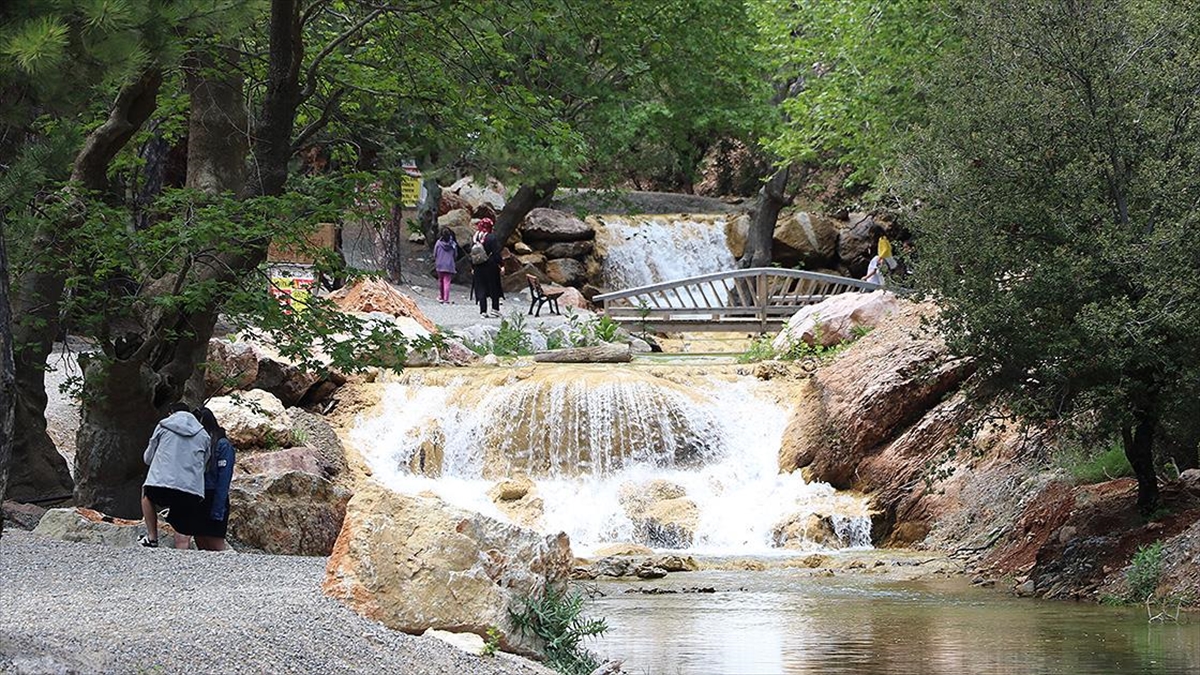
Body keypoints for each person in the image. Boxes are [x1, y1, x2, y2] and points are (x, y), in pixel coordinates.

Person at [140, 402, 211, 548]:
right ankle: (182, 553)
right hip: (190, 488)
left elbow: (148, 458)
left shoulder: (163, 426)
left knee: (147, 496)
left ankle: (152, 538)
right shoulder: (203, 434)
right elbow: (204, 464)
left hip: (161, 483)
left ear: (171, 413)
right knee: (183, 525)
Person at [186, 407, 237, 552]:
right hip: (198, 494)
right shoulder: (198, 444)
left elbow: (224, 479)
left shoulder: (222, 445)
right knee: (200, 539)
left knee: (215, 541)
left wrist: (218, 509)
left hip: (213, 495)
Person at [471, 217, 504, 318]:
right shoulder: (491, 238)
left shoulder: (475, 238)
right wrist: (501, 265)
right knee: (494, 286)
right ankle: (495, 309)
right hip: (491, 266)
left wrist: (472, 266)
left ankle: (483, 311)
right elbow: (496, 253)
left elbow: (472, 254)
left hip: (478, 266)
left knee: (481, 287)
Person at [433, 227, 458, 304]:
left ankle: (441, 296)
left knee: (440, 281)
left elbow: (435, 253)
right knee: (447, 281)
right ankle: (446, 298)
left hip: (440, 264)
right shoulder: (453, 244)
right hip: (449, 264)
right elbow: (455, 254)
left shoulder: (438, 243)